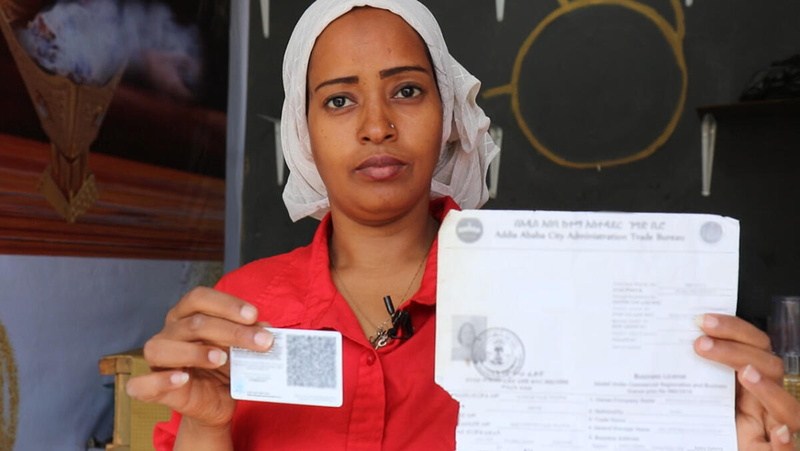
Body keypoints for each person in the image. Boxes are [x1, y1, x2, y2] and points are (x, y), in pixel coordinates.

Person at [125, 0, 800, 449]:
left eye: (408, 90)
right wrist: (208, 428)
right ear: (303, 136)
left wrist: (716, 429)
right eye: (338, 100)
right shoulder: (242, 315)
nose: (377, 124)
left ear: (451, 116)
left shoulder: (548, 296)